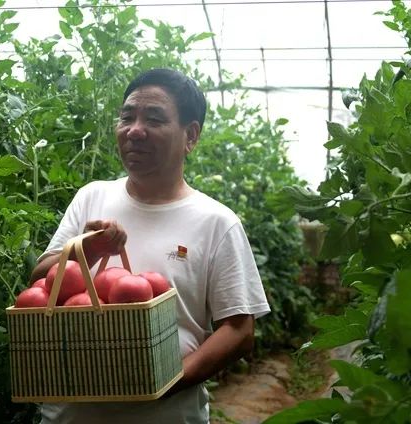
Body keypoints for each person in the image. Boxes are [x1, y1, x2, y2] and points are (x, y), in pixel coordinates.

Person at [30, 68, 270, 424]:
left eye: (153, 119)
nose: (134, 130)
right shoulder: (91, 196)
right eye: (127, 117)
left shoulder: (216, 222)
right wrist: (91, 251)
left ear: (190, 136)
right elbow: (40, 278)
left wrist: (166, 382)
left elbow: (239, 329)